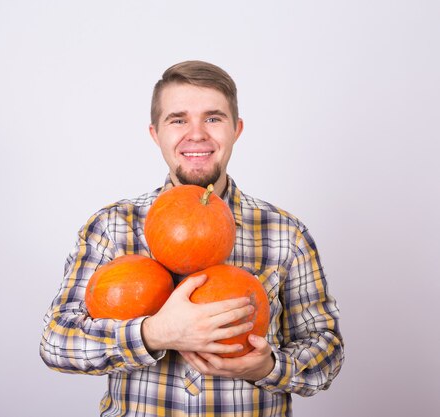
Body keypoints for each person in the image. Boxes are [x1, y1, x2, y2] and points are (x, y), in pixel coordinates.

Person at [40, 60, 344, 416]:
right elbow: (57, 342)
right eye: (178, 119)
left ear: (236, 130)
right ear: (155, 133)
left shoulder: (284, 233)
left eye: (213, 118)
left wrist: (267, 367)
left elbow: (327, 352)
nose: (196, 134)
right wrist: (154, 334)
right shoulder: (112, 226)